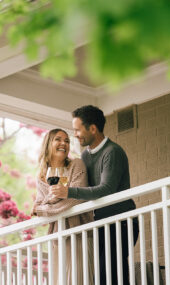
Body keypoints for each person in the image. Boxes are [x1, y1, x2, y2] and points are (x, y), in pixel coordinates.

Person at [50, 105, 139, 285]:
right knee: (97, 275)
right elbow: (81, 186)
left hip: (120, 223)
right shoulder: (85, 156)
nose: (75, 134)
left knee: (112, 272)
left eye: (77, 129)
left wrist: (69, 191)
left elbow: (106, 188)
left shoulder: (112, 152)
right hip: (98, 225)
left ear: (92, 128)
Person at [32, 128, 94, 285]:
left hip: (78, 231)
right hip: (57, 236)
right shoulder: (41, 177)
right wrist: (57, 198)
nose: (63, 143)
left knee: (79, 279)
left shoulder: (76, 165)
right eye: (58, 139)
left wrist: (43, 207)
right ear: (48, 144)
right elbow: (44, 203)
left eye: (67, 141)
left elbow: (76, 200)